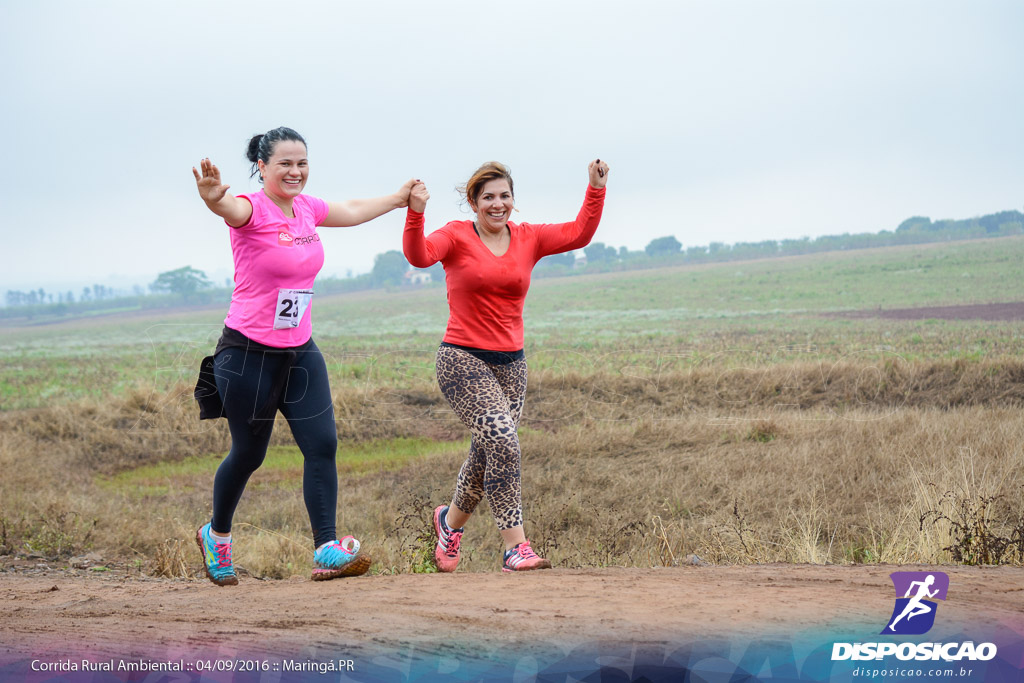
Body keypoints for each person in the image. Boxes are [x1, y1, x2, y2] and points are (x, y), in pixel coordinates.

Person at [191, 126, 415, 585]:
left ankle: (326, 548)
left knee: (323, 445)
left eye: (302, 164)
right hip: (247, 354)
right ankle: (217, 534)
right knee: (249, 454)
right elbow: (229, 208)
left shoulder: (308, 209)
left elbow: (350, 210)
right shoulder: (251, 209)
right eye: (285, 164)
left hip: (299, 352)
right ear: (262, 166)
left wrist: (396, 199)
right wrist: (214, 199)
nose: (295, 172)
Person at [403, 159, 609, 572]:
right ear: (474, 202)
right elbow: (420, 256)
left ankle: (449, 524)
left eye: (504, 196)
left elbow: (578, 233)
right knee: (504, 442)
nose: (498, 205)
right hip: (462, 359)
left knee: (488, 452)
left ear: (513, 200)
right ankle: (515, 546)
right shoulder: (456, 236)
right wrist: (416, 213)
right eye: (488, 197)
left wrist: (595, 188)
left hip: (511, 365)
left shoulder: (528, 238)